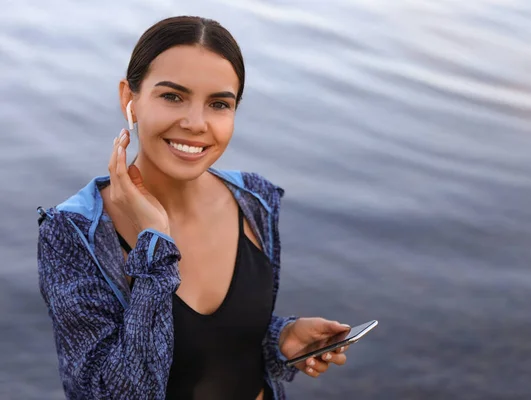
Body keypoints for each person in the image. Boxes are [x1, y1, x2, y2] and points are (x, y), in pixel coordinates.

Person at [36, 15, 351, 400]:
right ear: (128, 99)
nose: (196, 123)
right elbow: (110, 392)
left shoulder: (255, 200)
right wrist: (155, 244)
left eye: (219, 104)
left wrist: (279, 337)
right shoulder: (72, 233)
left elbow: (221, 346)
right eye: (172, 96)